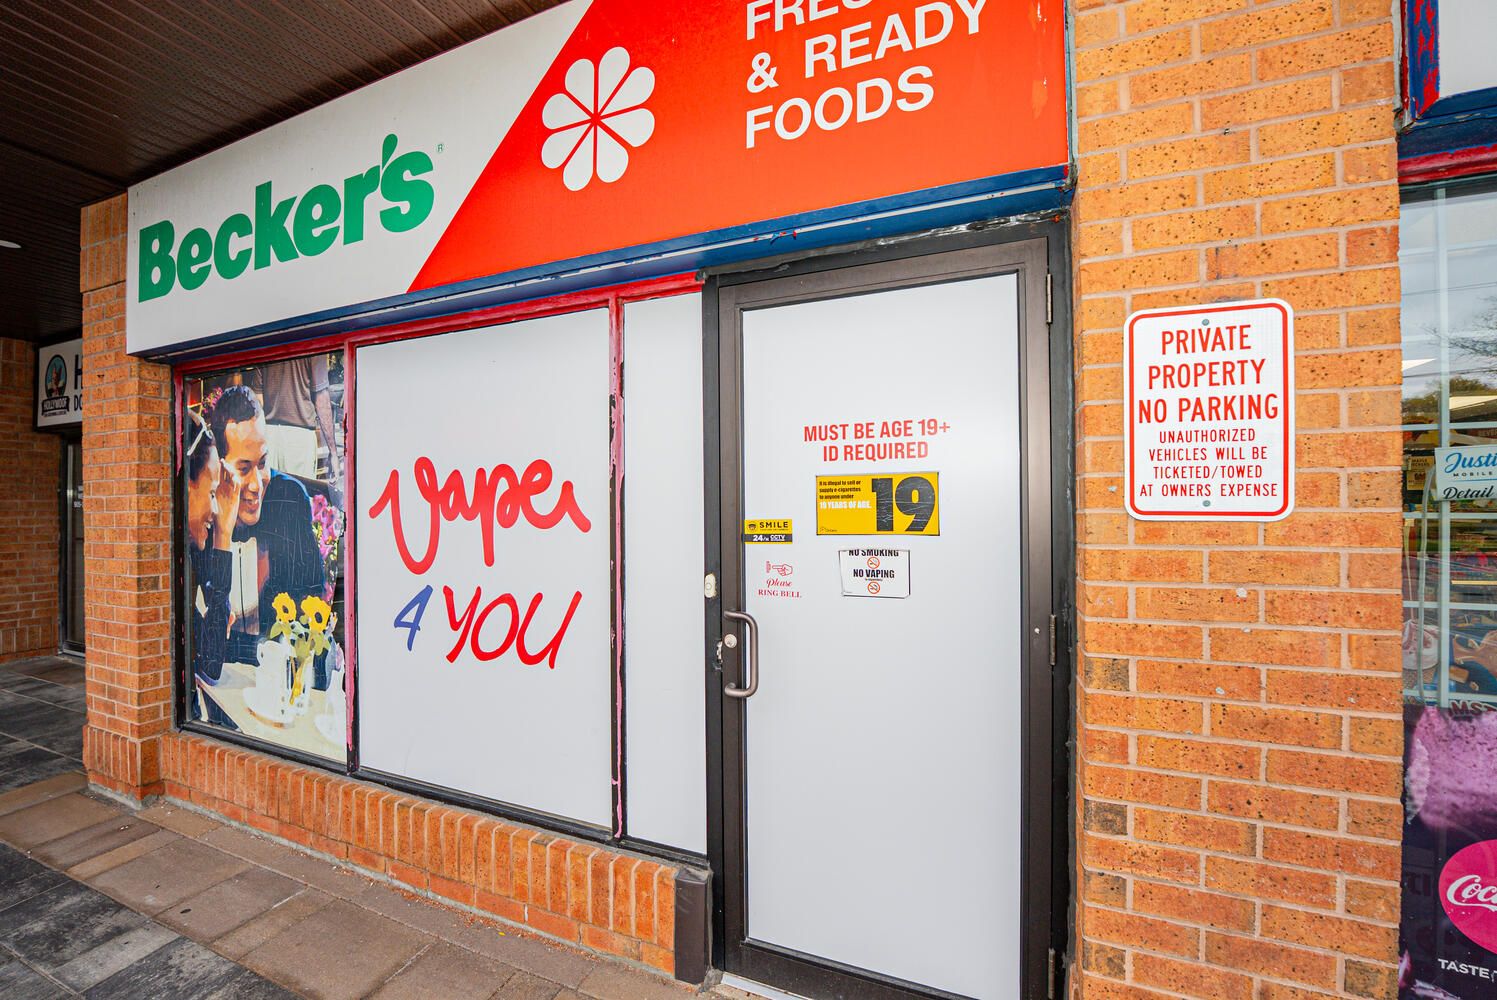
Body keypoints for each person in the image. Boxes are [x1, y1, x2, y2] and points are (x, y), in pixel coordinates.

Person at [208, 385, 327, 666]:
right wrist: (222, 534)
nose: (256, 484)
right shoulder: (204, 517)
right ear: (219, 468)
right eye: (243, 469)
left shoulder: (289, 500)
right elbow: (208, 647)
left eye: (262, 464)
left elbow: (312, 605)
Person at [183, 409, 241, 728]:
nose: (216, 508)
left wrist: (224, 535)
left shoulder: (190, 554)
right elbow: (210, 663)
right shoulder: (167, 573)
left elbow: (211, 663)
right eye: (210, 493)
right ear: (184, 487)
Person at [252, 355, 341, 495]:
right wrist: (333, 452)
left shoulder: (263, 346)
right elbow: (321, 400)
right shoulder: (314, 346)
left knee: (270, 501)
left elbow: (258, 402)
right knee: (297, 501)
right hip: (299, 440)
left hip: (268, 436)